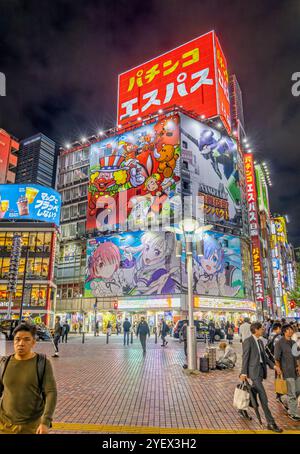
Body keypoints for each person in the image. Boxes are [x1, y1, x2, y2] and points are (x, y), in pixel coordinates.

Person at [0, 323, 57, 434]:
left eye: (26, 340)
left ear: (33, 343)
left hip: (32, 426)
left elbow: (51, 393)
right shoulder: (4, 363)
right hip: (4, 425)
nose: (21, 343)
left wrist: (45, 422)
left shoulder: (42, 363)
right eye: (17, 339)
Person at [240, 322, 282, 432]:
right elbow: (245, 357)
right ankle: (271, 423)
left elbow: (265, 357)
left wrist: (274, 366)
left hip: (260, 372)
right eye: (261, 329)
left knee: (253, 392)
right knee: (263, 397)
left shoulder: (260, 342)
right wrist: (243, 373)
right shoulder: (248, 341)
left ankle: (241, 408)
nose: (263, 330)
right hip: (254, 373)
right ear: (256, 330)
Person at [274, 324, 300, 422]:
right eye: (288, 330)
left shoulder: (293, 342)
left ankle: (284, 400)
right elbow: (276, 358)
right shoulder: (279, 343)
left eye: (291, 330)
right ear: (284, 331)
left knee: (298, 390)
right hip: (286, 370)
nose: (291, 331)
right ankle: (292, 413)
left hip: (295, 371)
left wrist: (298, 366)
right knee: (292, 392)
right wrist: (279, 369)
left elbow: (297, 356)